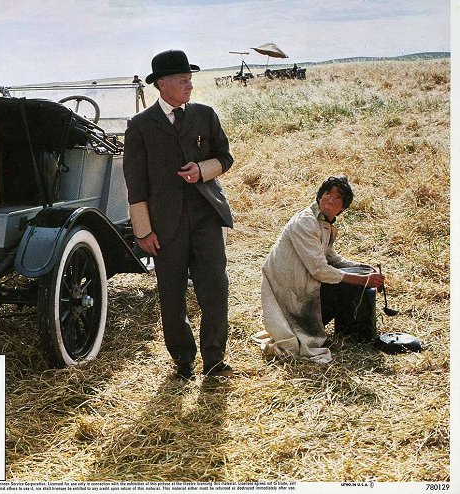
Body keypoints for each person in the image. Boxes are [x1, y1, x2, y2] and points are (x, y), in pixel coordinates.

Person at [123, 49, 234, 379]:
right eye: (184, 80)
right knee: (171, 296)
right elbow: (135, 183)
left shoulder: (205, 115)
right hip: (164, 225)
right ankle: (183, 361)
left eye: (190, 79)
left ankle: (215, 359)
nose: (190, 85)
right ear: (162, 84)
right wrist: (143, 231)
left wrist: (202, 170)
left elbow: (224, 159)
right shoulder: (140, 126)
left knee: (215, 289)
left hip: (206, 218)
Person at [256, 175, 385, 364]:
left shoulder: (323, 223)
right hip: (288, 294)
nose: (331, 200)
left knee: (354, 279)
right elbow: (319, 270)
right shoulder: (306, 222)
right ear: (319, 196)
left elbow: (332, 258)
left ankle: (351, 335)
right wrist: (363, 280)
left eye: (338, 198)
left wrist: (366, 270)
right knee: (348, 285)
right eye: (327, 194)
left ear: (343, 208)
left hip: (302, 286)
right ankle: (350, 335)